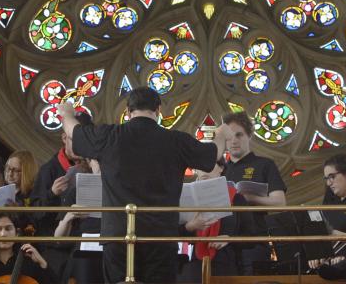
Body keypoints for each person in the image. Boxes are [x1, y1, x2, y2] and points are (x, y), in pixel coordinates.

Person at [60, 87, 227, 283]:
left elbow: (74, 132)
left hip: (118, 235)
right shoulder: (176, 141)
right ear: (158, 110)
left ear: (128, 111)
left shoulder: (110, 136)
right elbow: (213, 154)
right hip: (160, 237)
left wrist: (66, 113)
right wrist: (222, 134)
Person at [220, 111, 287, 274]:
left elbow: (280, 202)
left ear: (249, 136)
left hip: (255, 240)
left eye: (239, 135)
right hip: (224, 244)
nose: (234, 141)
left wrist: (250, 198)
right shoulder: (220, 170)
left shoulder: (264, 164)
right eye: (229, 137)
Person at [177, 158, 258, 281]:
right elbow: (171, 234)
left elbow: (251, 237)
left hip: (228, 264)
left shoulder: (237, 199)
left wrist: (230, 239)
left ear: (221, 168)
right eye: (199, 166)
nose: (203, 168)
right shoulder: (186, 196)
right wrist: (190, 226)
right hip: (195, 266)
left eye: (208, 163)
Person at [54, 159, 105, 284]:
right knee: (84, 261)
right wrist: (69, 217)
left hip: (112, 245)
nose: (101, 164)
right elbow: (58, 238)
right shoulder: (76, 191)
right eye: (97, 160)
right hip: (85, 248)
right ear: (89, 163)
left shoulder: (120, 192)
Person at [31, 128, 80, 236]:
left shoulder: (92, 166)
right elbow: (35, 212)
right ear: (64, 138)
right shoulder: (48, 170)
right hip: (53, 240)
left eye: (83, 142)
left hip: (82, 237)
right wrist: (52, 193)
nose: (80, 146)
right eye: (75, 140)